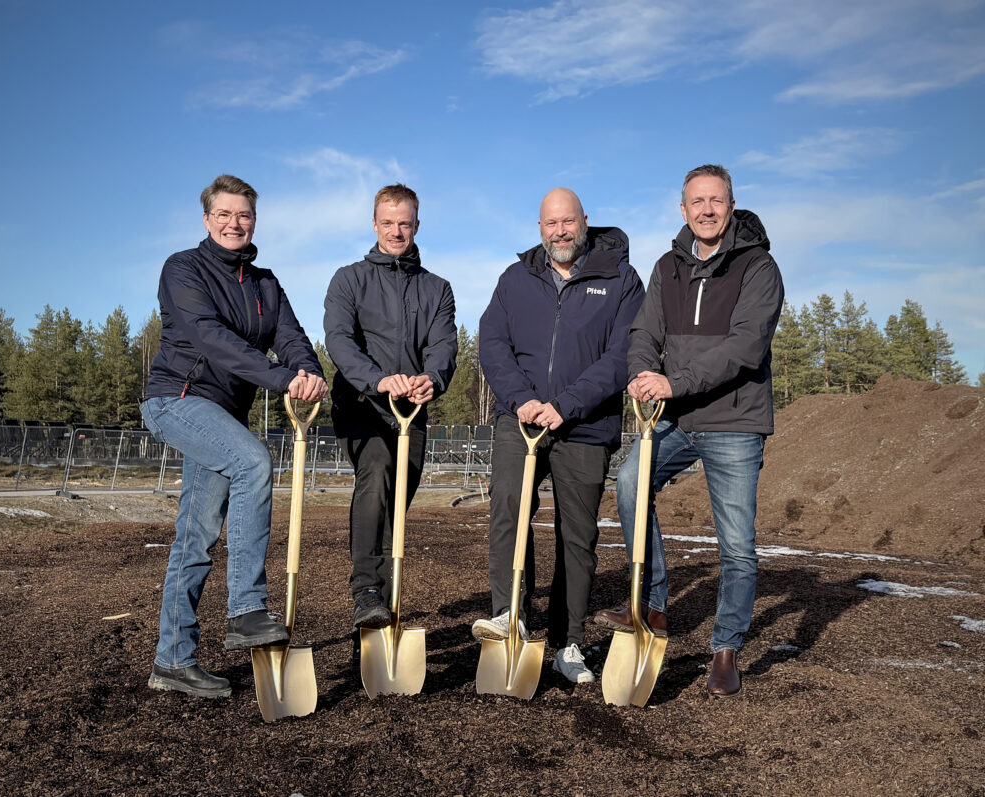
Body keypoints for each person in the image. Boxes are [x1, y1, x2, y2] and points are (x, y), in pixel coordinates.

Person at [594, 164, 784, 697]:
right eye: (697, 201)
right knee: (631, 483)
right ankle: (651, 606)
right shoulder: (667, 267)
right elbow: (644, 332)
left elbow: (745, 349)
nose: (706, 210)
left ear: (730, 206)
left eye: (716, 201)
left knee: (737, 544)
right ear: (683, 210)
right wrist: (639, 376)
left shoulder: (758, 268)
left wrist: (672, 382)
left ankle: (726, 647)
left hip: (734, 420)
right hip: (678, 420)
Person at [140, 174, 327, 698]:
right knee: (252, 462)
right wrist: (280, 377)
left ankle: (172, 662)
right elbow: (211, 339)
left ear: (254, 221)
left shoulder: (266, 284)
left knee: (195, 538)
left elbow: (292, 339)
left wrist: (308, 373)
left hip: (221, 415)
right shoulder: (183, 268)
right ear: (206, 219)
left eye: (242, 214)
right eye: (223, 214)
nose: (233, 223)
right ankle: (246, 607)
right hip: (176, 399)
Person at [474, 188, 644, 684]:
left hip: (585, 424)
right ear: (540, 227)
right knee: (508, 505)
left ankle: (568, 642)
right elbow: (493, 344)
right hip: (521, 418)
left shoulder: (620, 280)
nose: (560, 231)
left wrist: (565, 406)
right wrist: (522, 400)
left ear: (585, 222)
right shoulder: (515, 278)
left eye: (568, 222)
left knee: (579, 534)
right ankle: (510, 616)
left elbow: (621, 356)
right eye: (551, 223)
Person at [323, 184, 457, 632]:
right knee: (377, 471)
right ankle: (366, 590)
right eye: (388, 222)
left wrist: (431, 380)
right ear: (374, 224)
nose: (396, 231)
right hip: (362, 403)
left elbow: (443, 346)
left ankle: (380, 598)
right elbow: (339, 340)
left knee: (397, 498)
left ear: (417, 225)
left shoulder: (437, 289)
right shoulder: (349, 279)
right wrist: (376, 379)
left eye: (405, 223)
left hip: (411, 408)